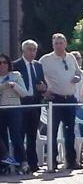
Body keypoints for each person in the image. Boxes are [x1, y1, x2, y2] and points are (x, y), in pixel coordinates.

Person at [39, 33, 82, 170]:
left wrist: (76, 77)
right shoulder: (46, 59)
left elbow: (78, 72)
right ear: (53, 45)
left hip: (69, 99)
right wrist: (44, 92)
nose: (58, 45)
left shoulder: (71, 57)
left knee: (70, 132)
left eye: (61, 43)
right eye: (56, 43)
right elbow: (38, 77)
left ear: (65, 44)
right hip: (55, 99)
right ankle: (52, 162)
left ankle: (71, 161)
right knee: (53, 131)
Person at [13, 39, 46, 173]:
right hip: (21, 103)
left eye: (34, 50)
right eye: (30, 49)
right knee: (20, 134)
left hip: (35, 102)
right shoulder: (16, 65)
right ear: (24, 50)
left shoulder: (38, 66)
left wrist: (43, 87)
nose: (32, 52)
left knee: (32, 135)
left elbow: (42, 82)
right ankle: (20, 162)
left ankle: (33, 163)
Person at [0, 53, 30, 170]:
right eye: (0, 63)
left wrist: (14, 86)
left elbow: (24, 93)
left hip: (14, 109)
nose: (2, 65)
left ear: (8, 64)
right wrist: (3, 86)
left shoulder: (15, 75)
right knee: (2, 137)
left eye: (4, 62)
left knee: (16, 136)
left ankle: (22, 162)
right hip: (1, 109)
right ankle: (5, 163)